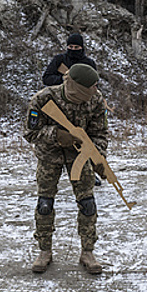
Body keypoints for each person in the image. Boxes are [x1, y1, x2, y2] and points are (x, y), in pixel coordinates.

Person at [24, 63, 107, 274]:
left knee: (88, 203)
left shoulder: (96, 100)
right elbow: (30, 133)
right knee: (45, 203)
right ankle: (44, 251)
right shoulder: (43, 99)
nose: (93, 94)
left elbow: (100, 133)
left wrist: (98, 156)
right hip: (49, 155)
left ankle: (87, 252)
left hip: (79, 156)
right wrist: (56, 136)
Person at [42, 33, 102, 187]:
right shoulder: (59, 61)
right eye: (70, 47)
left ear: (82, 47)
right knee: (62, 139)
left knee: (86, 140)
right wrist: (65, 82)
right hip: (61, 105)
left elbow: (94, 84)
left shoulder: (88, 63)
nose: (73, 50)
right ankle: (54, 174)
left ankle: (90, 172)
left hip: (83, 106)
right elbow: (47, 78)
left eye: (76, 47)